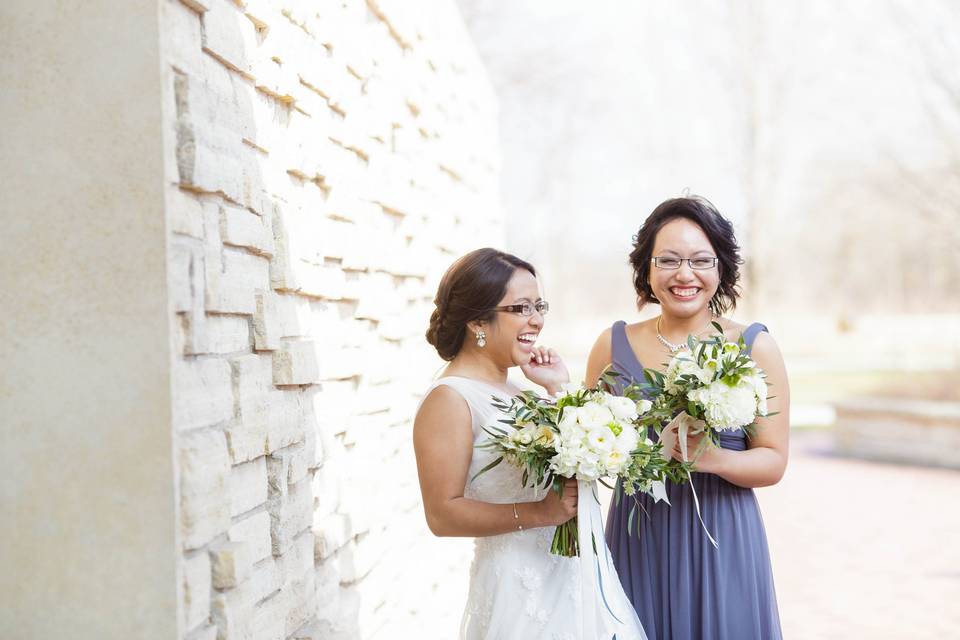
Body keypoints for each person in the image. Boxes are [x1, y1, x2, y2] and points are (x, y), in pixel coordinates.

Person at [414, 247, 647, 639]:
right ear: (477, 320)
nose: (536, 320)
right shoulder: (450, 400)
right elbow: (442, 515)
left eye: (539, 305)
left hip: (572, 578)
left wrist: (557, 386)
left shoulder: (522, 392)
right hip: (519, 591)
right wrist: (540, 513)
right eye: (521, 308)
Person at [585, 196, 788, 640]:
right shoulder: (610, 345)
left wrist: (714, 459)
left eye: (700, 260)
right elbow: (589, 452)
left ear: (721, 268)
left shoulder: (753, 347)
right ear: (646, 268)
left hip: (722, 535)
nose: (684, 274)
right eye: (669, 260)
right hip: (639, 536)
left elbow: (773, 461)